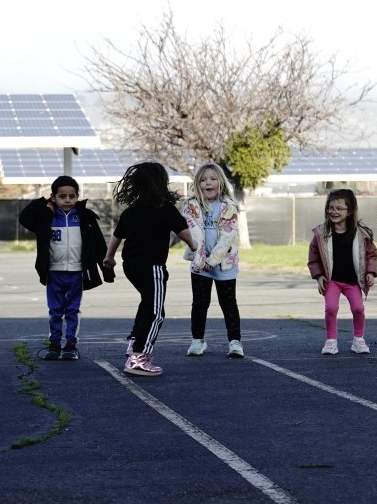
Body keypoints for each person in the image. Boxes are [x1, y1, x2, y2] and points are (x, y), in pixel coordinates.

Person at [104, 161, 197, 376]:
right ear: (160, 183)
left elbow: (117, 235)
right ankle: (139, 358)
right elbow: (182, 230)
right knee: (156, 313)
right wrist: (193, 246)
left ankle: (134, 343)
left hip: (131, 266)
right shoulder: (164, 207)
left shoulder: (131, 211)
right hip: (152, 266)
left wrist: (109, 257)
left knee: (147, 303)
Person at [18, 175, 114, 361]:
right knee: (55, 310)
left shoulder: (85, 217)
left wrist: (107, 268)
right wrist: (44, 203)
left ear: (78, 196)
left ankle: (70, 344)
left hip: (77, 273)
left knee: (72, 310)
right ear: (53, 197)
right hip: (54, 272)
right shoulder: (46, 217)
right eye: (62, 196)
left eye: (72, 196)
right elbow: (24, 217)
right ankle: (54, 344)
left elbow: (98, 243)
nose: (67, 200)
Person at [181, 163, 244, 359]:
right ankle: (197, 341)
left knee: (228, 303)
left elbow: (227, 237)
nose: (208, 183)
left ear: (220, 182)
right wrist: (201, 260)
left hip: (224, 264)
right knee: (200, 303)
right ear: (197, 184)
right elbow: (192, 234)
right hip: (200, 265)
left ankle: (235, 342)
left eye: (213, 179)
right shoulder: (191, 205)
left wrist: (213, 260)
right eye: (203, 179)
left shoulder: (229, 206)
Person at [307, 189, 377, 355]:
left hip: (352, 281)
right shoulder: (321, 234)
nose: (334, 211)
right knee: (331, 308)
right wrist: (318, 276)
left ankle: (358, 339)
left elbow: (371, 255)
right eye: (331, 208)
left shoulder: (362, 233)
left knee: (358, 308)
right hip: (332, 280)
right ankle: (331, 340)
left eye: (339, 208)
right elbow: (314, 257)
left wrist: (370, 272)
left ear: (350, 211)